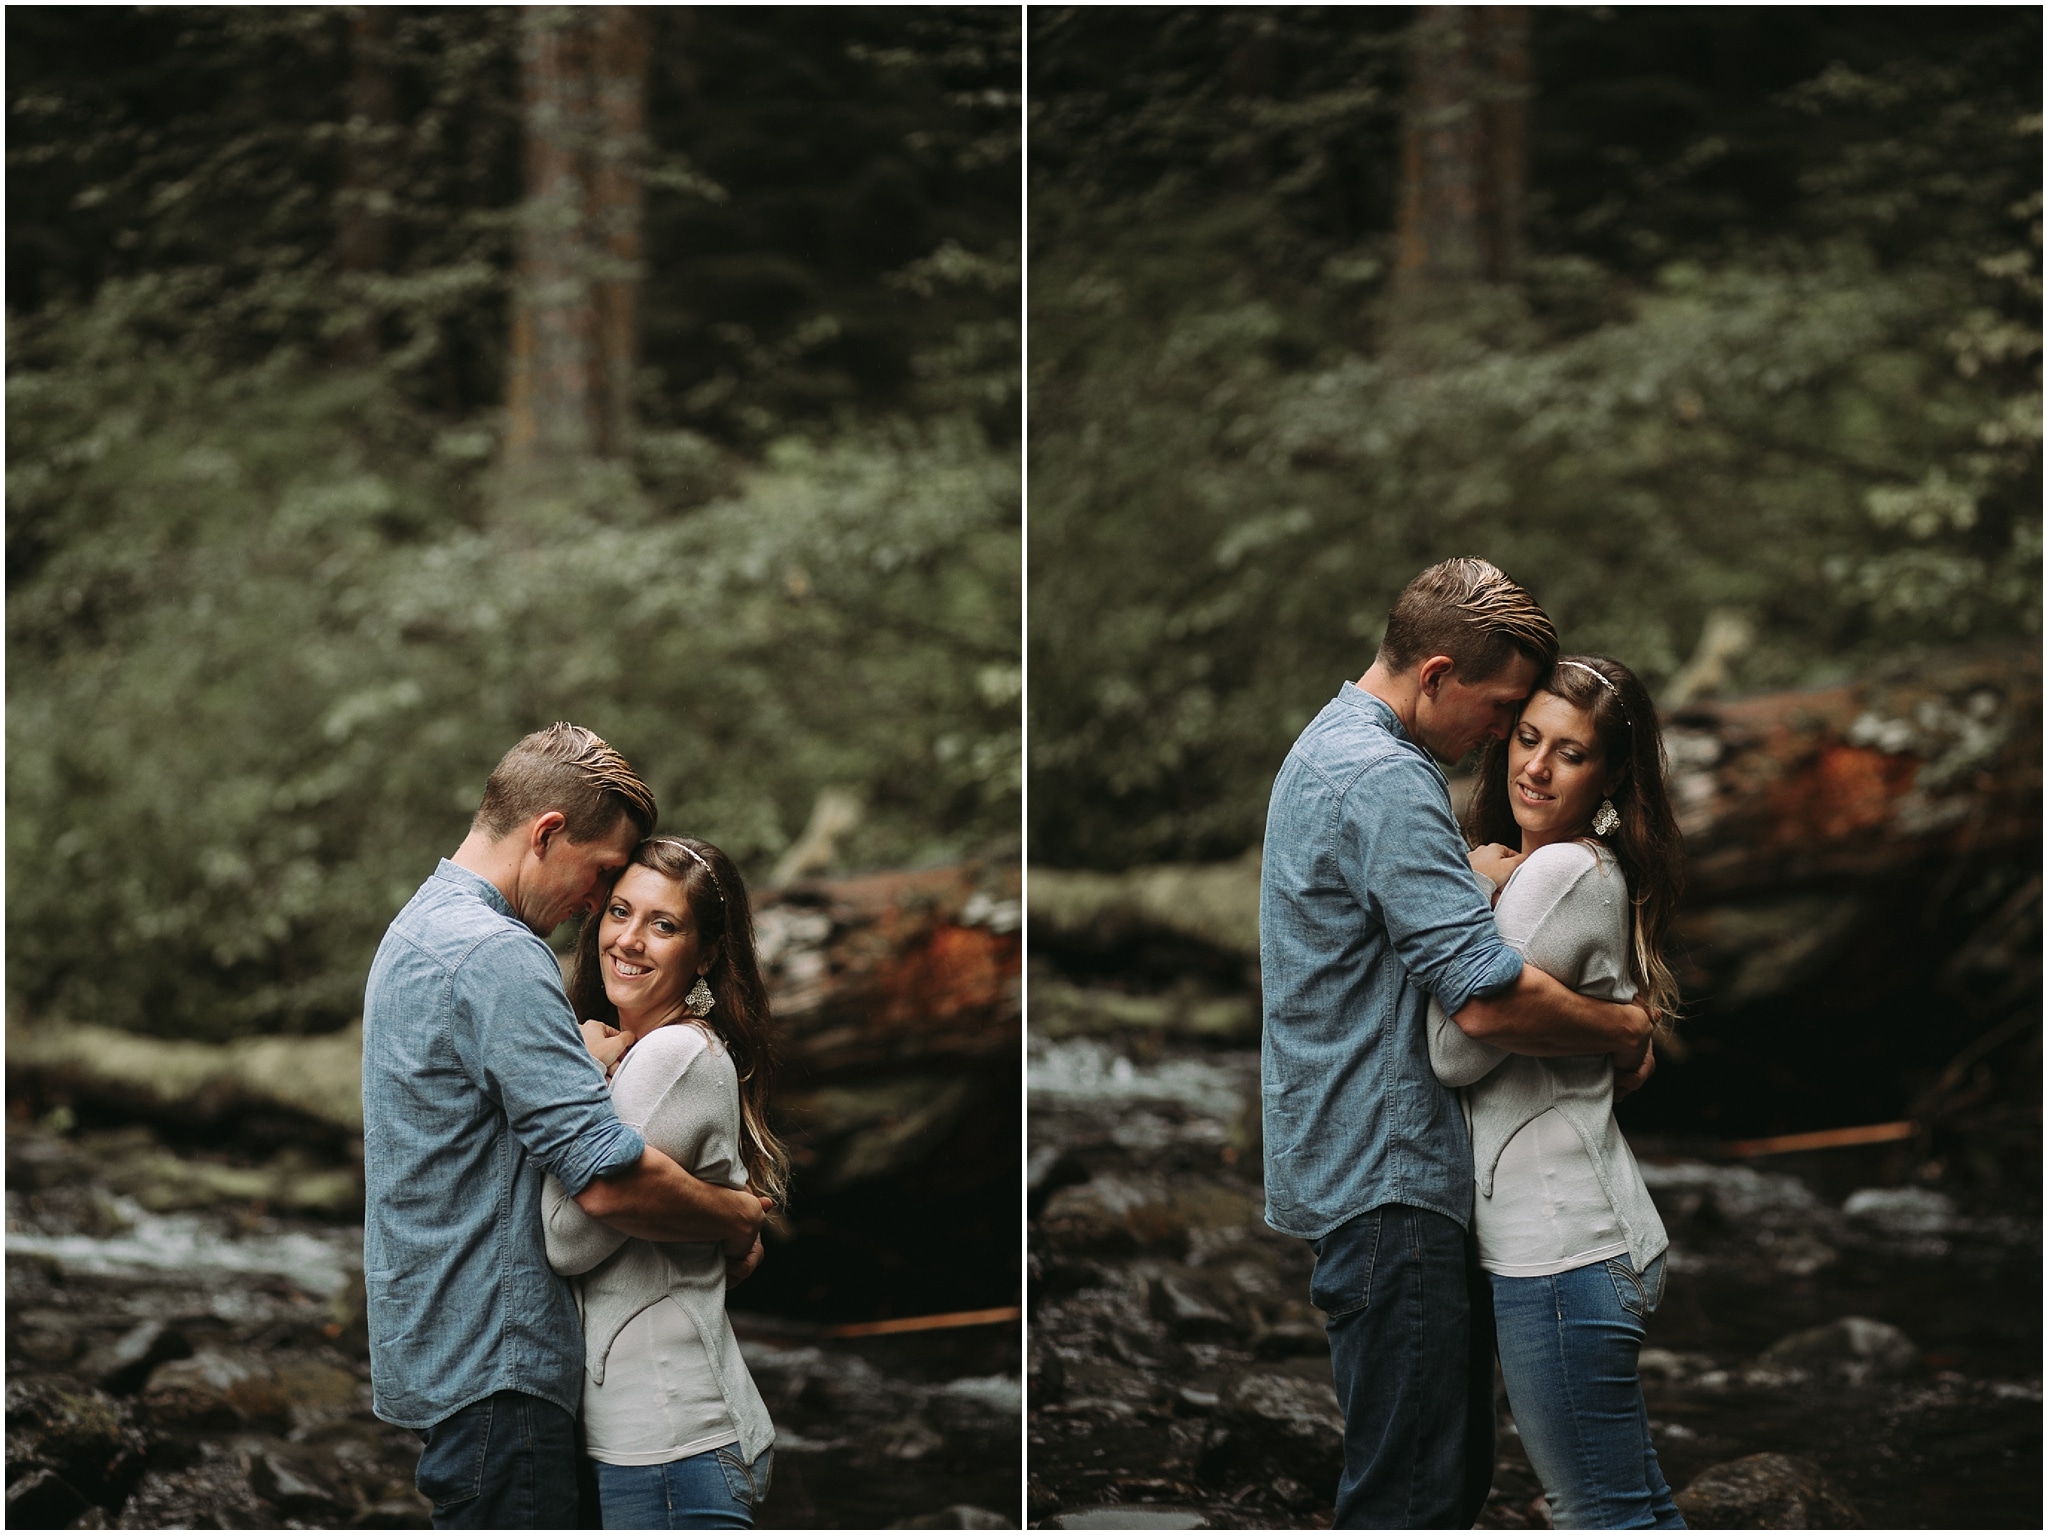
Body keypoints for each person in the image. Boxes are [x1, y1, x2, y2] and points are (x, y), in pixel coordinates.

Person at [1259, 558, 1657, 1530]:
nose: (1500, 739)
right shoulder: (1384, 779)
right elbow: (1480, 1002)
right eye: (1499, 710)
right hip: (1391, 1179)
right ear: (1435, 673)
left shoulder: (1326, 747)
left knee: (1425, 1475)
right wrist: (1621, 1025)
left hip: (1351, 1167)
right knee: (1414, 1496)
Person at [362, 725, 770, 1529]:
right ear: (547, 833)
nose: (595, 909)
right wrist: (739, 1215)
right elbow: (608, 1183)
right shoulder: (499, 956)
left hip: (447, 1360)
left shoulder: (414, 929)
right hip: (500, 1370)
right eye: (602, 880)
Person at [1429, 655, 1686, 1529]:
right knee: (1633, 1501)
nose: (1534, 766)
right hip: (1581, 1240)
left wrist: (1467, 882)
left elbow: (1457, 1047)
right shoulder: (1577, 870)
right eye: (1527, 739)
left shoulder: (1554, 874)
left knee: (1601, 1510)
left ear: (1611, 775)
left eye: (1569, 753)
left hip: (1559, 1249)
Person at [542, 836, 787, 1529]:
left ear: (705, 953)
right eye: (621, 910)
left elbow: (567, 1238)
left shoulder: (673, 1054)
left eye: (664, 924)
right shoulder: (650, 1051)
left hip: (671, 1444)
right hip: (651, 1447)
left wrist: (578, 1074)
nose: (630, 938)